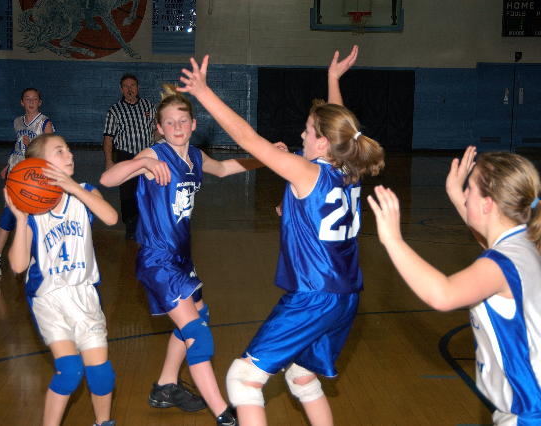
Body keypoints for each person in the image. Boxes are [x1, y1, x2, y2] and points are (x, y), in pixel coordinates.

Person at [178, 46, 385, 426]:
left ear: (322, 143)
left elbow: (247, 138)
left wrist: (203, 93)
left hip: (314, 296)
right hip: (346, 297)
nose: (301, 135)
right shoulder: (350, 168)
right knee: (301, 376)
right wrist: (333, 79)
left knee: (243, 380)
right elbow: (342, 130)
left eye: (307, 131)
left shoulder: (308, 172)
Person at [100, 84, 284, 425]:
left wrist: (265, 157)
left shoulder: (195, 157)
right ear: (159, 127)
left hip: (182, 258)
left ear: (193, 124)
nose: (177, 127)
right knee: (197, 333)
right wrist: (142, 163)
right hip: (157, 259)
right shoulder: (154, 154)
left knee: (199, 315)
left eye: (182, 121)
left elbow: (224, 169)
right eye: (169, 122)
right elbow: (108, 179)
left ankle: (166, 385)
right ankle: (224, 414)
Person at [368, 146, 541, 425]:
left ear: (487, 204)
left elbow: (443, 295)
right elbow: (489, 235)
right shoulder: (523, 243)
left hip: (528, 413)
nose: (466, 195)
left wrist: (393, 240)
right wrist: (455, 192)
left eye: (470, 189)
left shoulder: (500, 264)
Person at [6, 133, 119, 426]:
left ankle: (103, 423)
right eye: (60, 151)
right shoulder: (31, 209)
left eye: (69, 150)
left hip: (84, 293)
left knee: (101, 373)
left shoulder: (85, 193)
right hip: (49, 297)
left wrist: (74, 188)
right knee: (70, 371)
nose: (69, 155)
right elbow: (17, 266)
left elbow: (111, 218)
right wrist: (20, 219)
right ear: (40, 165)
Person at [0, 88, 55, 276]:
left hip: (35, 177)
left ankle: (38, 258)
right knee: (8, 213)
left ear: (40, 102)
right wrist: (8, 164)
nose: (31, 102)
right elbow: (17, 146)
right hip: (16, 174)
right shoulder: (17, 121)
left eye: (34, 99)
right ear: (22, 102)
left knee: (35, 219)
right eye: (27, 99)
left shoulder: (45, 123)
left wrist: (31, 147)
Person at [102, 73, 155, 239]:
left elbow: (156, 132)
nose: (129, 89)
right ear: (121, 89)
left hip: (147, 156)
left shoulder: (149, 106)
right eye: (126, 86)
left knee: (147, 190)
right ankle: (130, 226)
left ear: (138, 88)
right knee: (127, 192)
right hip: (125, 155)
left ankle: (146, 224)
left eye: (132, 85)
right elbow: (108, 137)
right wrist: (109, 160)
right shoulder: (115, 110)